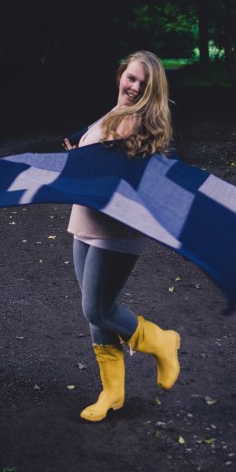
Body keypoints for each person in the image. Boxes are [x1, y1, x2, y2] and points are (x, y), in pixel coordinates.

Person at [62, 51, 181, 422]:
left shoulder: (143, 125)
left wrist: (88, 166)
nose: (134, 87)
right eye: (131, 78)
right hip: (86, 218)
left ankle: (162, 341)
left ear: (153, 91)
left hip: (117, 229)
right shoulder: (111, 114)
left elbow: (130, 180)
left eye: (144, 84)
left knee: (97, 308)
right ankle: (112, 393)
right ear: (120, 75)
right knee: (97, 312)